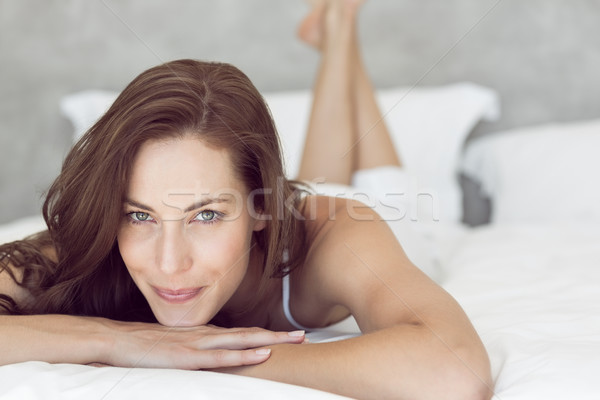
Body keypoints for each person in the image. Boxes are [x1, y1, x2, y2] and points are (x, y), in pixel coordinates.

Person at [0, 1, 492, 398]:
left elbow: (453, 371)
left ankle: (342, 33)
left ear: (261, 206)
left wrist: (211, 357)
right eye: (140, 215)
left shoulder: (340, 234)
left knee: (372, 185)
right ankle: (337, 28)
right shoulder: (98, 242)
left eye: (206, 215)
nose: (169, 264)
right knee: (321, 175)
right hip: (288, 198)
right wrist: (120, 340)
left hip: (375, 219)